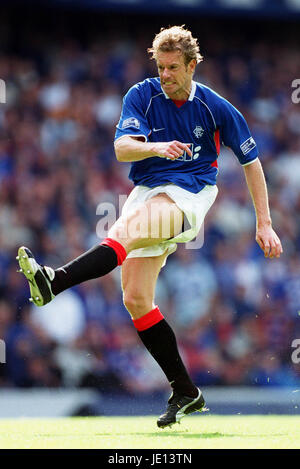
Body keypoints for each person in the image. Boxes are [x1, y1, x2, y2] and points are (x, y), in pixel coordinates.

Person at [17, 25, 283, 428]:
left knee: (134, 225)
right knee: (136, 299)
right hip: (147, 189)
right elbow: (122, 148)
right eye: (161, 67)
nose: (166, 75)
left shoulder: (216, 107)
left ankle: (54, 281)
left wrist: (264, 222)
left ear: (193, 65)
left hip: (190, 194)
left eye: (174, 67)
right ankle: (186, 390)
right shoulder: (141, 94)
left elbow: (252, 163)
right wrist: (154, 146)